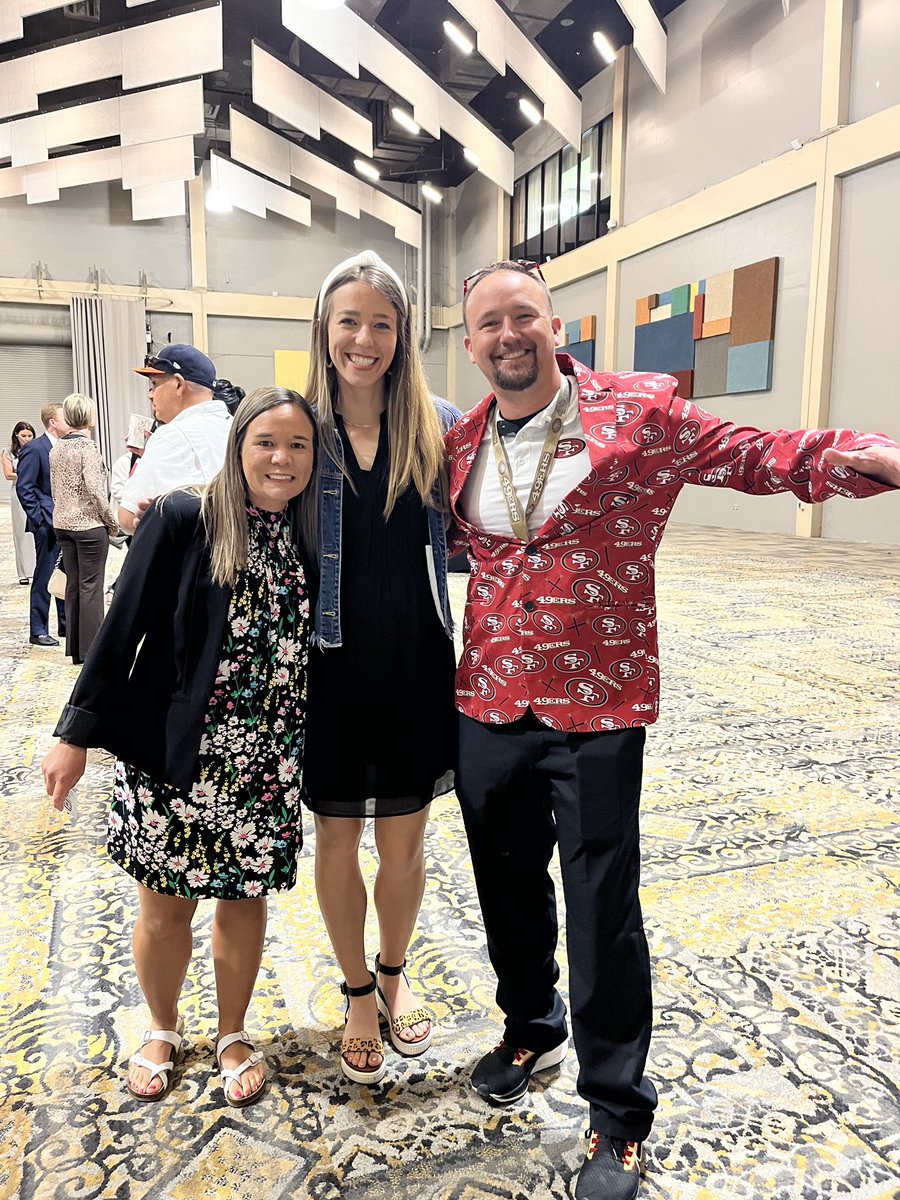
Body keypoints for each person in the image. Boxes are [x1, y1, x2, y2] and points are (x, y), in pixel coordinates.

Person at [447, 259, 900, 1200]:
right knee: (505, 886)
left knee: (603, 906)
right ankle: (530, 1026)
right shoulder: (461, 444)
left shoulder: (639, 413)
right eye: (488, 323)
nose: (508, 335)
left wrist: (849, 457)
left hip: (600, 703)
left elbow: (746, 450)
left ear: (555, 325)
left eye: (522, 316)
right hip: (489, 696)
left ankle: (616, 1112)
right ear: (470, 344)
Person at [41, 387, 317, 1107]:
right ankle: (162, 1026)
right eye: (266, 442)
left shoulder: (307, 532)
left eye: (298, 445)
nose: (282, 459)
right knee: (165, 907)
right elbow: (120, 624)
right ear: (237, 445)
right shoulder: (184, 516)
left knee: (242, 902)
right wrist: (74, 735)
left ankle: (231, 1031)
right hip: (177, 754)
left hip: (265, 763)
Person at [303, 250, 459, 1085]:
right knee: (337, 839)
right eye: (349, 321)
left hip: (416, 665)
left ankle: (394, 977)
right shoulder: (299, 426)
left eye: (382, 323)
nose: (364, 339)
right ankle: (357, 990)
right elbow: (237, 500)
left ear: (402, 335)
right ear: (325, 331)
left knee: (404, 843)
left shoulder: (437, 424)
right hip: (327, 669)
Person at [118, 344, 231, 533]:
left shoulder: (172, 436)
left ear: (178, 384)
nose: (150, 395)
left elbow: (127, 518)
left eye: (154, 385)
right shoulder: (236, 427)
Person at [50, 393, 119, 664]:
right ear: (90, 417)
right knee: (91, 587)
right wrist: (111, 522)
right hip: (88, 526)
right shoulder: (87, 449)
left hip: (63, 524)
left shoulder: (57, 448)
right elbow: (95, 490)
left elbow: (56, 488)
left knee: (74, 586)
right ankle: (92, 653)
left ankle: (77, 649)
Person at [16, 403, 69, 647]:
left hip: (69, 522)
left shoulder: (67, 447)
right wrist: (38, 520)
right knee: (44, 576)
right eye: (64, 418)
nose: (69, 421)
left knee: (65, 574)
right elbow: (24, 487)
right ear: (52, 422)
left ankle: (65, 624)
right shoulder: (35, 449)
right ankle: (38, 630)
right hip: (46, 524)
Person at [2, 420, 36, 584]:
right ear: (16, 435)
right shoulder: (8, 453)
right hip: (19, 490)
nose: (27, 439)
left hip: (36, 490)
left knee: (37, 529)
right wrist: (28, 474)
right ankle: (23, 572)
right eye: (23, 435)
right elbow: (9, 474)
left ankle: (37, 567)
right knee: (21, 531)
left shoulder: (36, 449)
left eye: (30, 435)